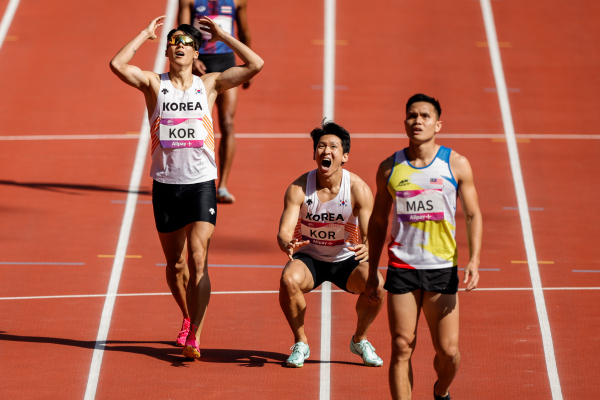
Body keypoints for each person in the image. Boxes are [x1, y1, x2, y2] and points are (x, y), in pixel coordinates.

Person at [109, 15, 263, 360]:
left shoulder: (208, 85)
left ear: (196, 53)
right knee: (175, 265)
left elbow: (256, 64)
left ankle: (195, 333)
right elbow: (117, 64)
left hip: (201, 185)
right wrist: (143, 34)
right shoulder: (153, 83)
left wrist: (224, 35)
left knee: (198, 259)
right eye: (174, 42)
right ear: (167, 50)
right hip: (165, 185)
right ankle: (187, 314)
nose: (178, 46)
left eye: (186, 43)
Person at [365, 94, 482, 399]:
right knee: (402, 345)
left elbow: (472, 214)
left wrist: (475, 261)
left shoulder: (455, 164)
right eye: (412, 115)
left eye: (425, 116)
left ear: (437, 124)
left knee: (448, 351)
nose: (417, 121)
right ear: (405, 122)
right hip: (402, 267)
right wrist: (371, 269)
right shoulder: (389, 168)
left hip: (441, 268)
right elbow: (378, 222)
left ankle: (441, 391)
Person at [277, 121, 386, 368]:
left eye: (333, 147)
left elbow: (370, 235)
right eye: (321, 146)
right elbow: (284, 231)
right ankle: (301, 342)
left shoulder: (358, 189)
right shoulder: (299, 188)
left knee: (377, 285)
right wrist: (286, 242)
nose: (326, 151)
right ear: (314, 153)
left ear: (344, 156)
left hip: (345, 258)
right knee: (288, 280)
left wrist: (368, 246)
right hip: (310, 258)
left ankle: (360, 339)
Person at [178, 0, 253, 204]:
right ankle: (193, 179)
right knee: (197, 123)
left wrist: (248, 67)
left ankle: (223, 186)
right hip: (200, 62)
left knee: (227, 123)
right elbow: (182, 33)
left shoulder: (237, 1)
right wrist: (192, 60)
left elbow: (244, 32)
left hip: (226, 62)